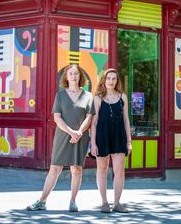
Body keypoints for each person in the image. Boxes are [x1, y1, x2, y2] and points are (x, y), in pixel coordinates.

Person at [26, 64, 94, 212]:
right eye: (71, 74)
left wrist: (79, 133)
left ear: (80, 76)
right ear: (66, 77)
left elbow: (89, 118)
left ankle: (73, 202)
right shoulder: (60, 95)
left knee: (76, 169)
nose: (74, 76)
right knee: (54, 168)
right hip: (63, 136)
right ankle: (41, 201)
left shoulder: (88, 96)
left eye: (76, 73)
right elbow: (57, 118)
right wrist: (72, 132)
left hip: (80, 137)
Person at [90, 68, 132, 213]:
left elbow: (126, 120)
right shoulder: (97, 98)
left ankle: (117, 203)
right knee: (102, 169)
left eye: (114, 78)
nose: (111, 81)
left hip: (119, 136)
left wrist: (129, 141)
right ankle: (104, 202)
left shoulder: (123, 97)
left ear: (117, 81)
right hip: (102, 136)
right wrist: (93, 143)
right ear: (104, 80)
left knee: (119, 171)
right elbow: (94, 123)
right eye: (108, 78)